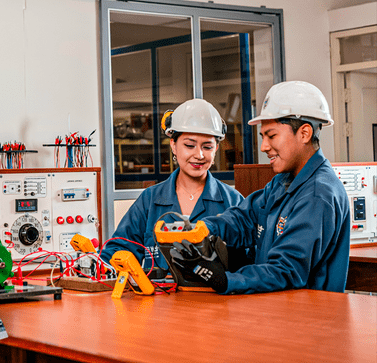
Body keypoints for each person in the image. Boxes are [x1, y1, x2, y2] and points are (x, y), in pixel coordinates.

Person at [172, 81, 351, 294]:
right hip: (277, 314)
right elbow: (244, 219)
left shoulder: (317, 194)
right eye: (262, 137)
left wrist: (227, 281)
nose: (264, 146)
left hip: (308, 321)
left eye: (272, 135)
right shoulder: (282, 182)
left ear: (304, 133)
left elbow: (286, 270)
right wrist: (205, 228)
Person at [100, 99, 244, 270]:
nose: (199, 155)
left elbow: (251, 257)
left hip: (219, 296)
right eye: (189, 145)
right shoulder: (150, 200)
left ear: (216, 149)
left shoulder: (233, 201)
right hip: (159, 296)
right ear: (174, 146)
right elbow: (118, 250)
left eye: (207, 147)